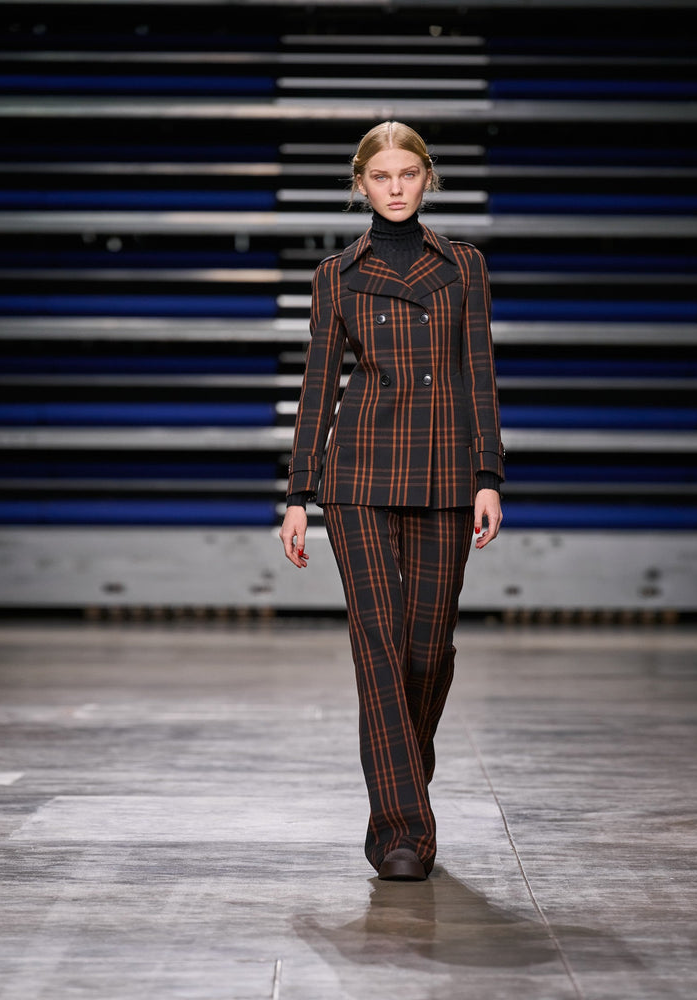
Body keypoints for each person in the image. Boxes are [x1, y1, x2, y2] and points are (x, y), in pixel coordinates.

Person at [279, 121, 504, 881]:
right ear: (361, 185)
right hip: (359, 475)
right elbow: (318, 386)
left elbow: (479, 374)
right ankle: (403, 832)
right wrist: (298, 492)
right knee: (377, 643)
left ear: (428, 178)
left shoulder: (464, 266)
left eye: (409, 173)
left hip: (446, 471)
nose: (396, 187)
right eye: (382, 176)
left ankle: (402, 769)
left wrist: (489, 475)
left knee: (426, 649)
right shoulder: (336, 276)